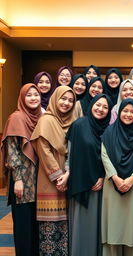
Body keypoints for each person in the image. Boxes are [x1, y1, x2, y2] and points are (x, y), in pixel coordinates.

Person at [101, 99, 133, 256]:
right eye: (125, 110)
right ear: (119, 111)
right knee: (113, 227)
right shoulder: (109, 131)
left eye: (132, 112)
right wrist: (115, 177)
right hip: (112, 185)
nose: (128, 114)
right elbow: (104, 155)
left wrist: (132, 178)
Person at [31, 86, 76, 255]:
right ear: (55, 99)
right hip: (50, 179)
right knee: (50, 226)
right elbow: (43, 150)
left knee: (66, 224)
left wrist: (68, 174)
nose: (66, 103)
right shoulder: (46, 120)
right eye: (63, 99)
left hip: (69, 176)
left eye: (71, 100)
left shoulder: (72, 121)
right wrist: (59, 177)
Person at [67, 94, 113, 256]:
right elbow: (70, 155)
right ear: (92, 104)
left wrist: (102, 177)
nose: (100, 109)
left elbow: (111, 157)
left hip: (100, 184)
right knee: (81, 225)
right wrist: (68, 174)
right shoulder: (79, 125)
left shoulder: (110, 128)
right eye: (98, 105)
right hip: (80, 183)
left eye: (105, 107)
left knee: (97, 225)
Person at [1, 83, 42, 256]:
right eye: (29, 95)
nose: (33, 98)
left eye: (36, 95)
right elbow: (12, 151)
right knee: (23, 228)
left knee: (36, 227)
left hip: (39, 182)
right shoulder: (16, 118)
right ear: (22, 98)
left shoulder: (42, 117)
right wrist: (17, 179)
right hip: (22, 183)